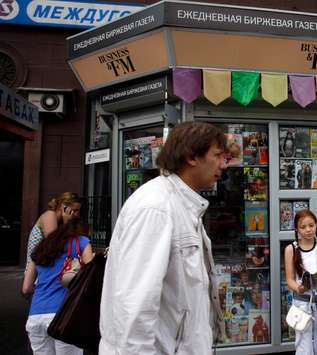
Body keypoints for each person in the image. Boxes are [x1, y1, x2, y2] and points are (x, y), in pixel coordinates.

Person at [99, 122, 228, 355]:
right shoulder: (156, 207)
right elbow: (135, 305)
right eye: (217, 155)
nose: (223, 164)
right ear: (191, 157)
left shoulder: (183, 205)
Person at [22, 219, 93, 355]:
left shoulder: (40, 248)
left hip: (36, 316)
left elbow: (26, 288)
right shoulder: (82, 242)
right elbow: (91, 275)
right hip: (65, 316)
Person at [284, 209, 317, 355]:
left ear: (316, 225)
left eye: (311, 225)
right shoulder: (291, 249)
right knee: (303, 346)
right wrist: (299, 288)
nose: (308, 230)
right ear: (297, 229)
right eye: (303, 227)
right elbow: (289, 279)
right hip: (302, 302)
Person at [26, 192, 82, 269]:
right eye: (75, 210)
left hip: (47, 267)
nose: (76, 214)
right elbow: (53, 245)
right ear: (63, 207)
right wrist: (67, 223)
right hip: (37, 271)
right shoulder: (50, 215)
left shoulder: (60, 222)